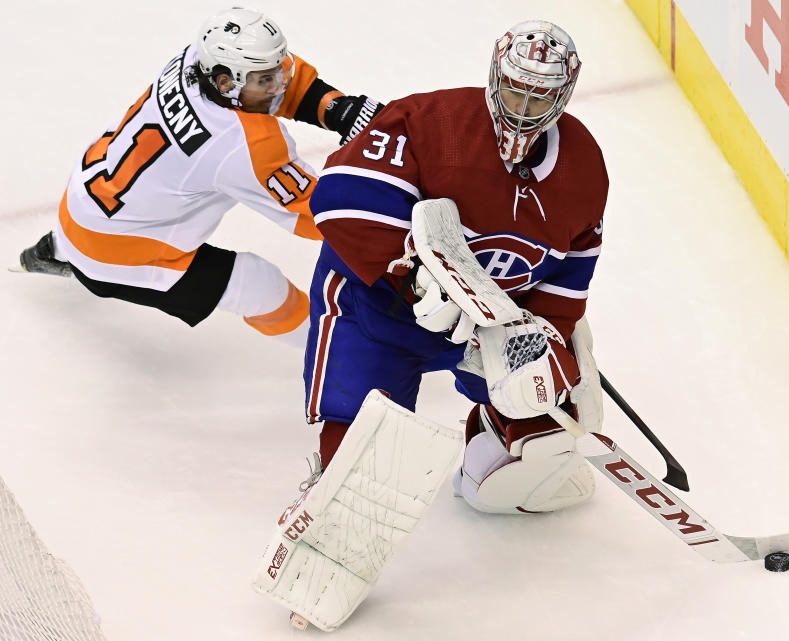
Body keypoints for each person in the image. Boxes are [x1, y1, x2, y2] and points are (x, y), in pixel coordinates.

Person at [252, 20, 608, 630]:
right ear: (495, 78)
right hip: (377, 309)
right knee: (362, 455)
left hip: (483, 326)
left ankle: (490, 470)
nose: (523, 107)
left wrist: (545, 342)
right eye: (515, 89)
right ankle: (328, 527)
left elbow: (568, 273)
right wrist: (410, 276)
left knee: (549, 421)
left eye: (539, 95)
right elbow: (337, 198)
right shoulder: (429, 121)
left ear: (564, 92)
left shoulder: (584, 166)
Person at [18, 7, 382, 345]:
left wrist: (336, 109)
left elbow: (269, 77)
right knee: (259, 285)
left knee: (132, 207)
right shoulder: (245, 144)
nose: (279, 84)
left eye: (278, 71)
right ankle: (335, 353)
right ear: (225, 84)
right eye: (266, 79)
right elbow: (321, 217)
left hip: (82, 200)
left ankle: (57, 248)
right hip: (116, 252)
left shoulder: (195, 57)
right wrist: (390, 192)